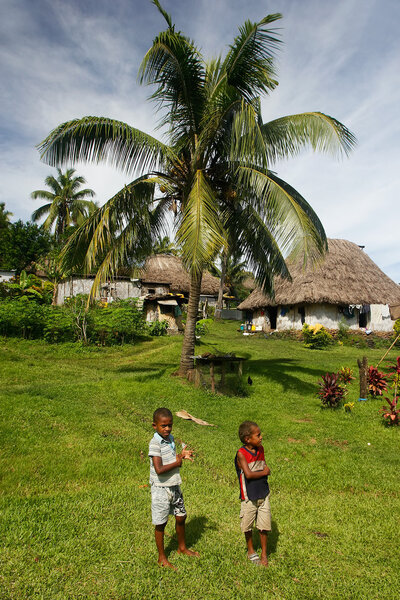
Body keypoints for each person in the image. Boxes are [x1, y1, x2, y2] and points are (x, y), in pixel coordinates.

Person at [149, 407, 199, 569]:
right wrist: (177, 463)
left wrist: (181, 456)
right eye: (163, 426)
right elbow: (159, 469)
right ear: (154, 426)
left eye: (170, 425)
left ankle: (182, 547)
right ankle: (162, 557)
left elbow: (171, 459)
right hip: (161, 489)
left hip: (174, 485)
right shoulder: (155, 443)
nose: (167, 428)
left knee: (181, 517)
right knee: (161, 523)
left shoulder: (170, 439)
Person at [235, 420, 271, 567]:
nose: (261, 437)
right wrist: (265, 472)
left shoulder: (260, 449)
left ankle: (264, 553)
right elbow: (248, 475)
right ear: (247, 439)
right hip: (248, 496)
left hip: (263, 493)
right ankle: (250, 550)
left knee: (264, 526)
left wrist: (265, 470)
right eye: (258, 435)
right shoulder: (241, 454)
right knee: (248, 525)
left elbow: (264, 464)